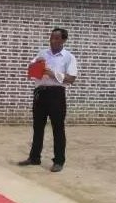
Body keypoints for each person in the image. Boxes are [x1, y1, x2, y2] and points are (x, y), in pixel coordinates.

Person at [17, 27, 78, 172]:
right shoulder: (42, 53)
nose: (52, 41)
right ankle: (34, 157)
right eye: (51, 38)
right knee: (37, 127)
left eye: (56, 38)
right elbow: (31, 69)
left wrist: (53, 74)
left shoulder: (69, 57)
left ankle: (59, 161)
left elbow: (71, 79)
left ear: (63, 40)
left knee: (58, 128)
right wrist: (35, 65)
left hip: (56, 94)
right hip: (40, 93)